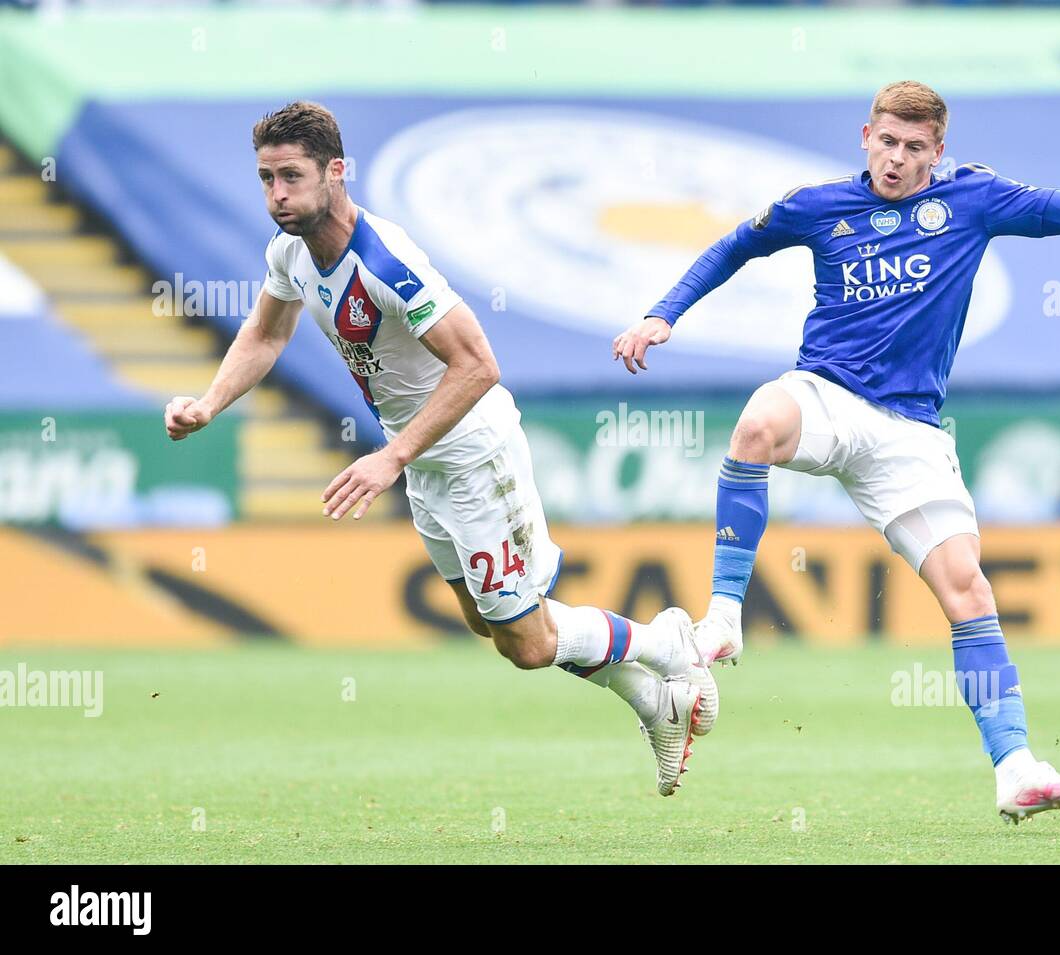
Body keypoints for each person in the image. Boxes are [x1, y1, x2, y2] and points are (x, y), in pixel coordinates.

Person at [613, 81, 1060, 822]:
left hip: (909, 434)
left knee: (969, 590)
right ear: (866, 135)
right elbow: (735, 245)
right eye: (887, 141)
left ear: (937, 150)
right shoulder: (817, 205)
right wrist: (663, 314)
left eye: (914, 147)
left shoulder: (976, 199)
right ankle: (722, 617)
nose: (897, 158)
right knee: (759, 420)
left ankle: (1015, 766)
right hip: (827, 396)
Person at [164, 101, 716, 796]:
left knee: (530, 644)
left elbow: (479, 364)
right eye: (267, 179)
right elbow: (266, 335)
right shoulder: (290, 252)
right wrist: (209, 402)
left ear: (336, 172)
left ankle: (667, 644)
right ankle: (653, 700)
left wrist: (390, 456)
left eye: (292, 177)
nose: (277, 195)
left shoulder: (388, 263)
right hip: (422, 459)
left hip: (472, 451)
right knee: (493, 627)